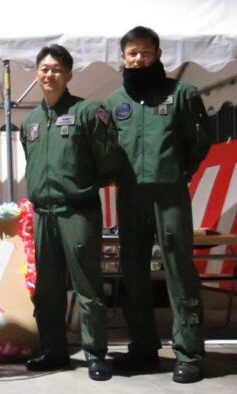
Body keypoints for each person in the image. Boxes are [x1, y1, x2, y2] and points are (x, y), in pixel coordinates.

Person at [105, 26, 211, 384]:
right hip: (131, 195)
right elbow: (107, 149)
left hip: (169, 194)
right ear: (123, 57)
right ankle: (144, 349)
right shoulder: (114, 101)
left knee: (179, 271)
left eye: (145, 52)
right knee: (133, 273)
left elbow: (200, 140)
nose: (139, 58)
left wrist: (182, 172)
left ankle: (190, 354)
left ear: (158, 54)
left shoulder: (181, 94)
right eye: (132, 53)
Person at [20, 45, 120, 381]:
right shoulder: (31, 122)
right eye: (44, 69)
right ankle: (54, 351)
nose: (50, 75)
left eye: (57, 69)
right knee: (47, 288)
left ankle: (95, 354)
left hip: (77, 213)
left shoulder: (88, 112)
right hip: (43, 215)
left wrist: (80, 188)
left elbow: (108, 163)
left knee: (87, 286)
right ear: (37, 74)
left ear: (69, 75)